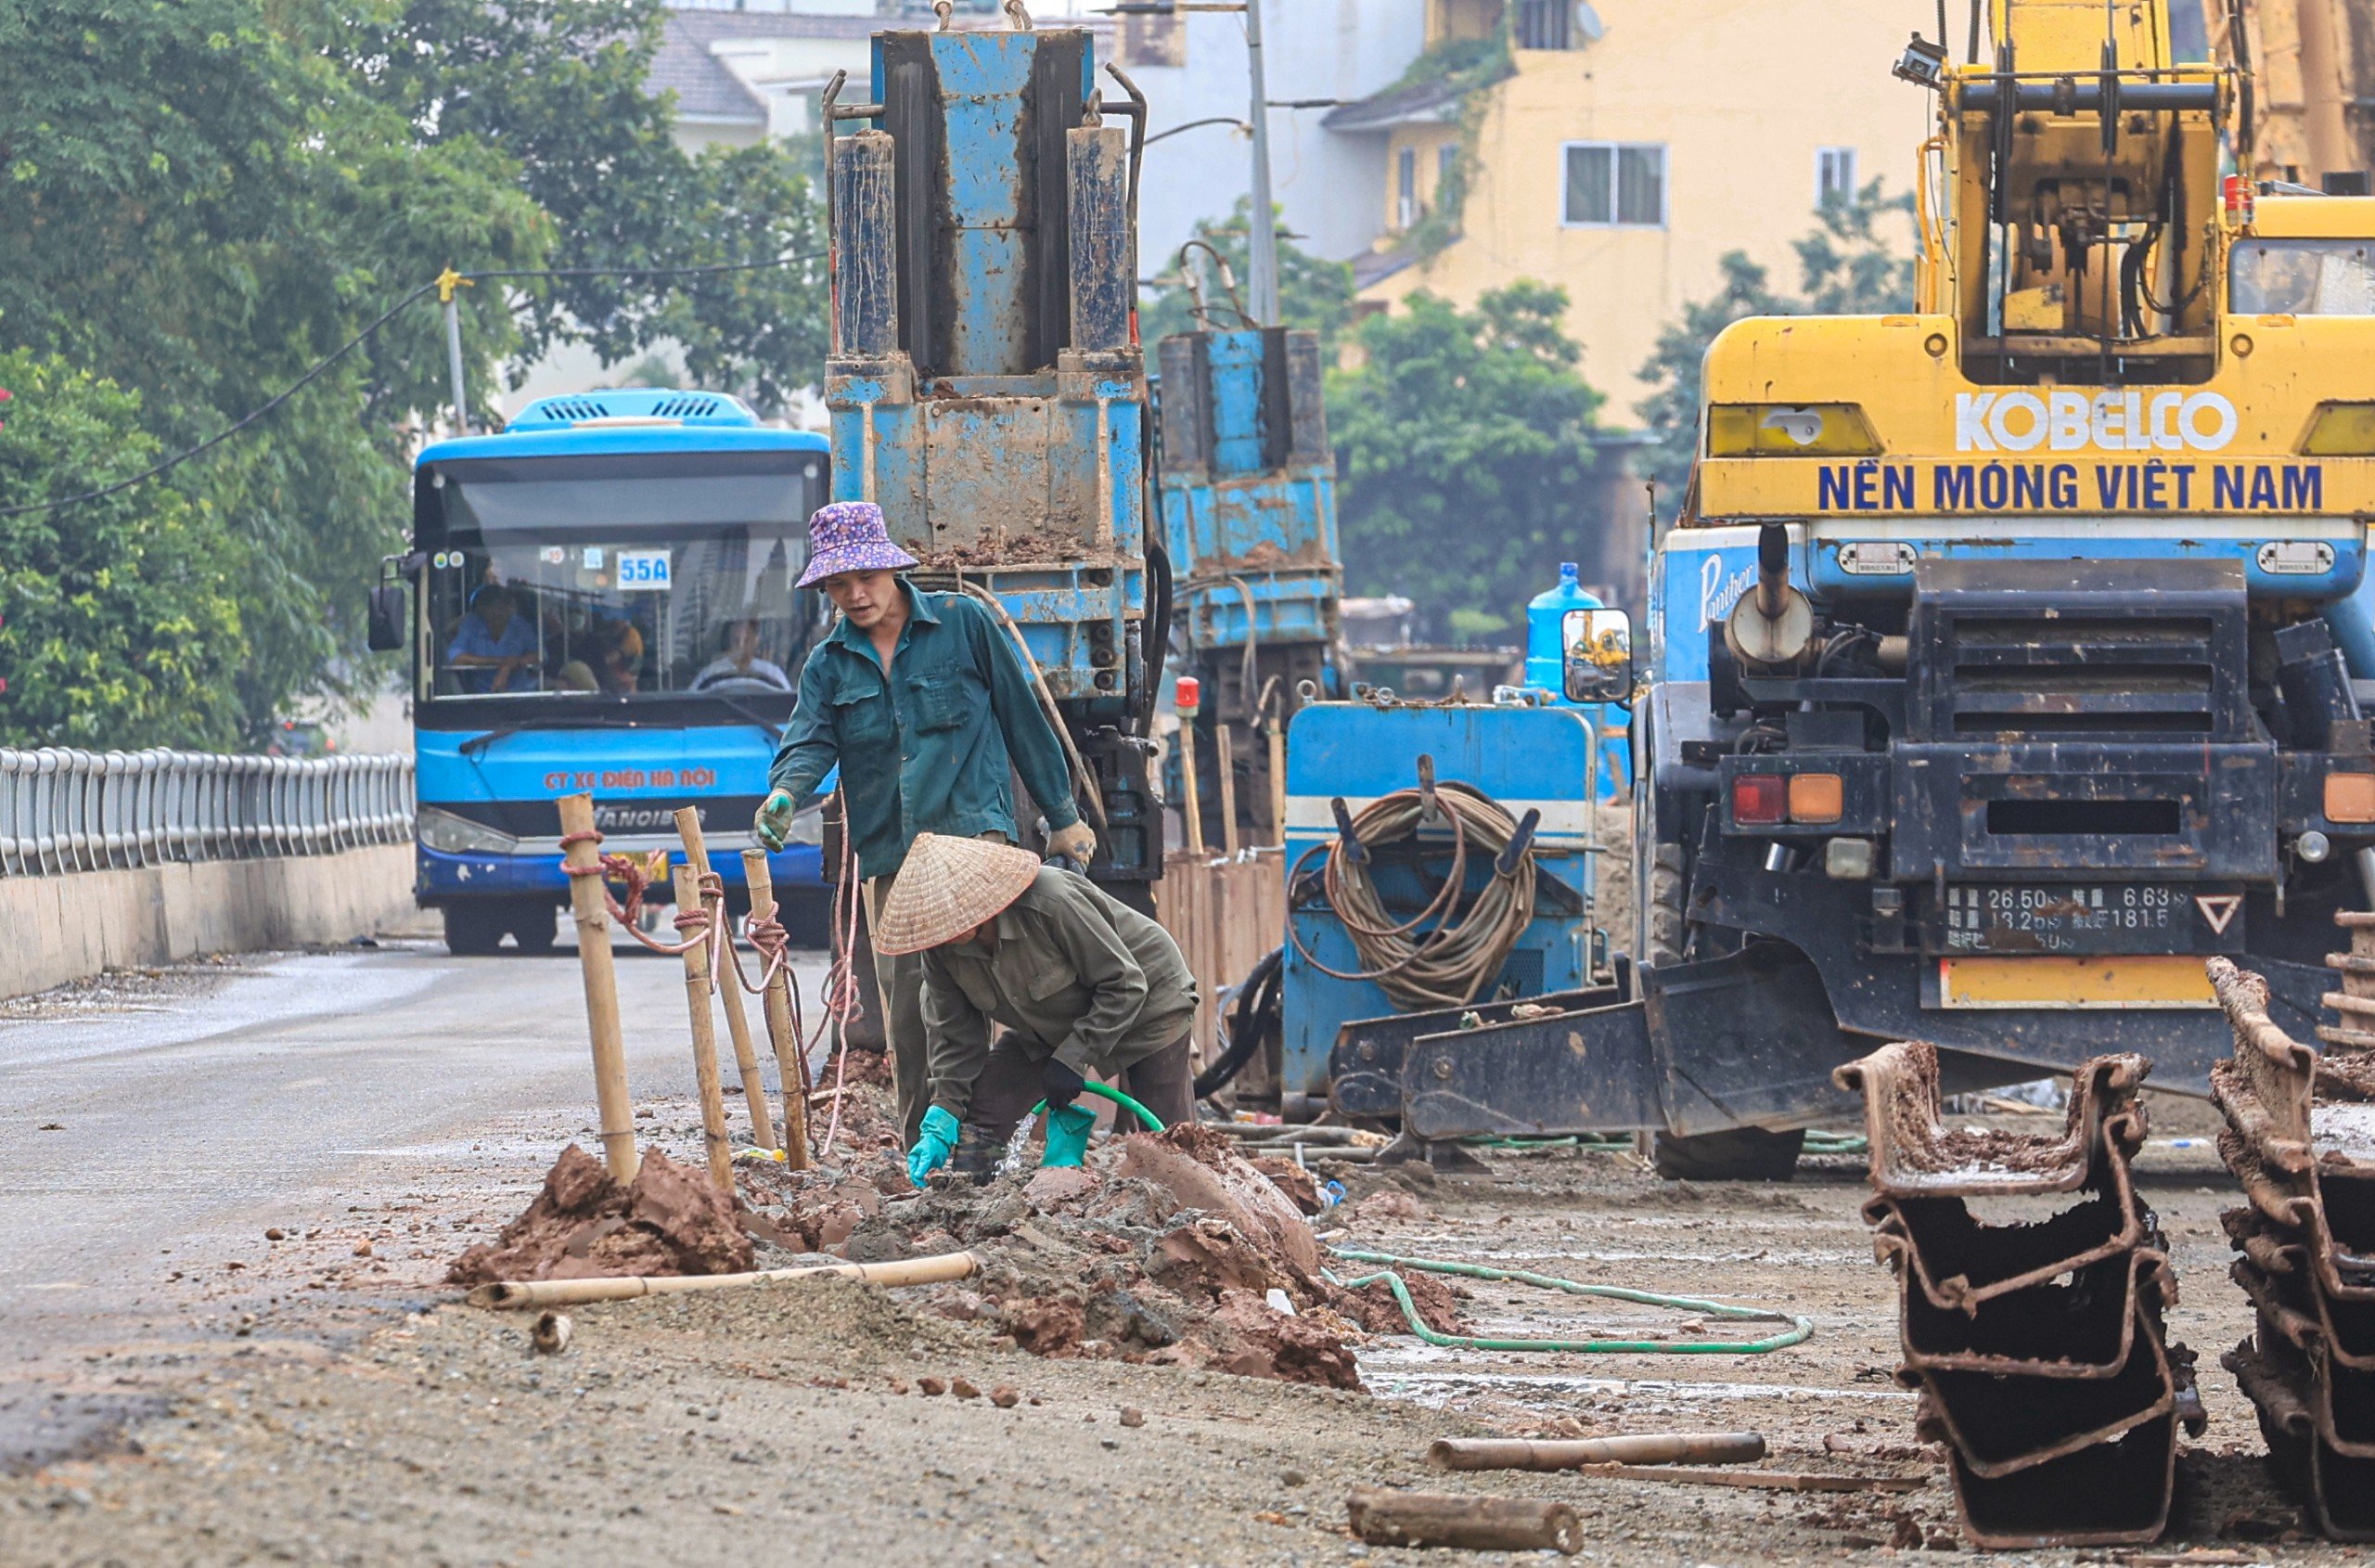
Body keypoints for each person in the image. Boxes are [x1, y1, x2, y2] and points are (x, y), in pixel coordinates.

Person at [755, 500, 1098, 1148]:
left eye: (866, 579)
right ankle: (930, 1151)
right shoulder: (829, 665)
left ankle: (999, 1139)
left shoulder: (964, 625)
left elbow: (1025, 720)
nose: (856, 595)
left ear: (892, 569)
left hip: (977, 850)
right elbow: (807, 742)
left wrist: (1063, 817)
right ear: (825, 588)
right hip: (893, 863)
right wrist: (784, 793)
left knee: (1011, 996)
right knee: (913, 1020)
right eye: (839, 585)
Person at [870, 832, 1196, 1186]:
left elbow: (1125, 984)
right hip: (1048, 1024)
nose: (940, 937)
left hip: (1149, 1000)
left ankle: (1203, 1215)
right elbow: (954, 1035)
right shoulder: (940, 950)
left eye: (946, 923)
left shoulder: (1051, 900)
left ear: (973, 905)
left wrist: (1072, 1058)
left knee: (1171, 1143)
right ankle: (971, 1202)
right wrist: (944, 1112)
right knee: (985, 1111)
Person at [446, 585, 540, 693]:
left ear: (511, 608)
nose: (496, 612)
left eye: (502, 605)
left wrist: (510, 666)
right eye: (490, 606)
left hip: (520, 695)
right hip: (480, 697)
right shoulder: (471, 624)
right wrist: (499, 661)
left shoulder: (520, 626)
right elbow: (456, 658)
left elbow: (540, 655)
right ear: (480, 609)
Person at [693, 618, 792, 692]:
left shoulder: (773, 674)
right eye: (736, 641)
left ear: (755, 642)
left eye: (746, 641)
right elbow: (690, 707)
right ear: (728, 641)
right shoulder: (709, 674)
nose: (741, 647)